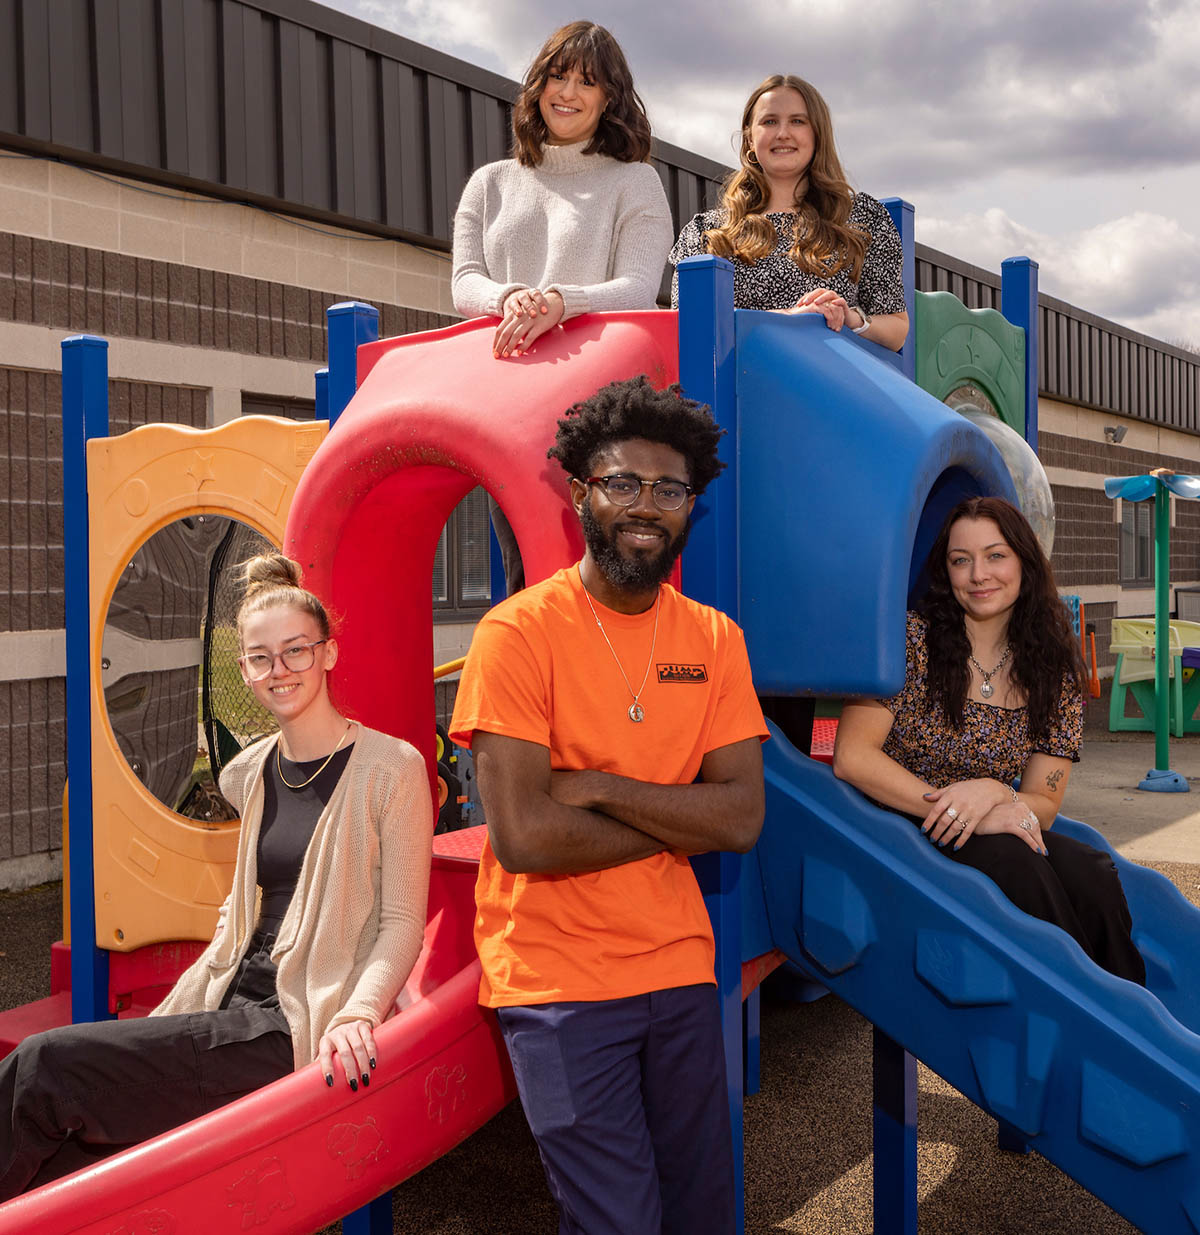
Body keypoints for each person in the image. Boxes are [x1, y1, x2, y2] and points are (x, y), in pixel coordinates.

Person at [0, 554, 433, 1199]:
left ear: (330, 654)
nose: (279, 670)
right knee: (73, 1154)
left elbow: (401, 922)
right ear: (244, 672)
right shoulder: (251, 772)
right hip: (225, 1001)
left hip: (290, 1025)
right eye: (260, 657)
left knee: (45, 1066)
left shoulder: (390, 768)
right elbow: (245, 901)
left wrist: (359, 1012)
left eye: (296, 651)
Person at [450, 376, 767, 1234]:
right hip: (556, 980)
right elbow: (525, 836)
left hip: (677, 964)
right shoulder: (518, 634)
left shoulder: (714, 639)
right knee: (617, 1222)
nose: (646, 506)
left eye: (669, 489)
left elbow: (740, 820)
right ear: (582, 491)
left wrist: (595, 787)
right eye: (622, 483)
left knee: (703, 1215)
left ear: (690, 505)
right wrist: (677, 817)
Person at [832, 497, 1145, 983]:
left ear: (1024, 561)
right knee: (1017, 860)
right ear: (946, 571)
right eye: (962, 560)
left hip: (992, 822)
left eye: (995, 555)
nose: (979, 574)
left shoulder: (1051, 669)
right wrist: (963, 812)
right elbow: (852, 758)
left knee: (1092, 870)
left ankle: (1132, 1009)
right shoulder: (909, 641)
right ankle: (1086, 1006)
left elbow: (1043, 799)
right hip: (896, 826)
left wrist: (994, 792)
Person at [452, 20, 674, 594]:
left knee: (606, 574)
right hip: (510, 411)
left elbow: (637, 289)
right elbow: (464, 283)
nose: (567, 93)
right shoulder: (489, 183)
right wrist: (509, 297)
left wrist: (560, 301)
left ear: (609, 99)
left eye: (586, 82)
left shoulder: (636, 182)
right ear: (536, 87)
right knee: (527, 571)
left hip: (602, 416)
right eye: (557, 77)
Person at [670, 74, 908, 352]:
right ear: (749, 137)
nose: (783, 133)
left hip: (834, 388)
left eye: (797, 121)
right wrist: (788, 319)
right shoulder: (705, 234)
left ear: (817, 133)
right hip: (735, 389)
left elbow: (897, 330)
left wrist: (849, 318)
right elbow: (685, 327)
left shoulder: (862, 219)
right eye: (769, 121)